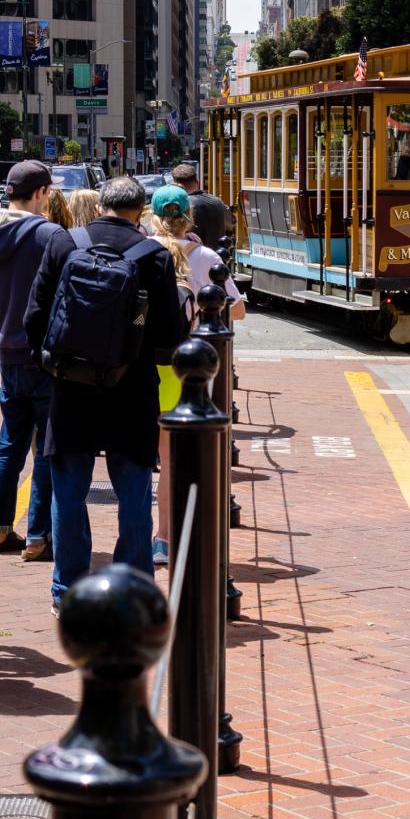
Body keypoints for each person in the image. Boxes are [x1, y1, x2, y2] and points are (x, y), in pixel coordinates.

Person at [25, 176, 185, 609]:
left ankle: (68, 590)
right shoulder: (154, 255)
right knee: (133, 492)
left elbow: (34, 317)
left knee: (69, 493)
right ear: (141, 211)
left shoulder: (64, 244)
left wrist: (56, 364)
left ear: (100, 207)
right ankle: (132, 585)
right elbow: (170, 337)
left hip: (70, 389)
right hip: (130, 391)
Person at [147, 184, 247, 567]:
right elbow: (236, 311)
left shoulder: (139, 250)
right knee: (174, 458)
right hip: (184, 370)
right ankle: (165, 537)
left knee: (141, 456)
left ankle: (140, 536)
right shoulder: (204, 256)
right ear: (188, 216)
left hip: (141, 366)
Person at [0, 160, 63, 561]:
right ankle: (38, 535)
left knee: (10, 443)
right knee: (46, 446)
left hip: (8, 349)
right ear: (42, 192)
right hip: (44, 351)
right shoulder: (49, 234)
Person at [170, 161, 229, 252]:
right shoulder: (218, 202)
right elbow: (230, 225)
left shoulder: (180, 206)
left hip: (191, 259)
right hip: (216, 259)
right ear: (197, 182)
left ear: (176, 185)